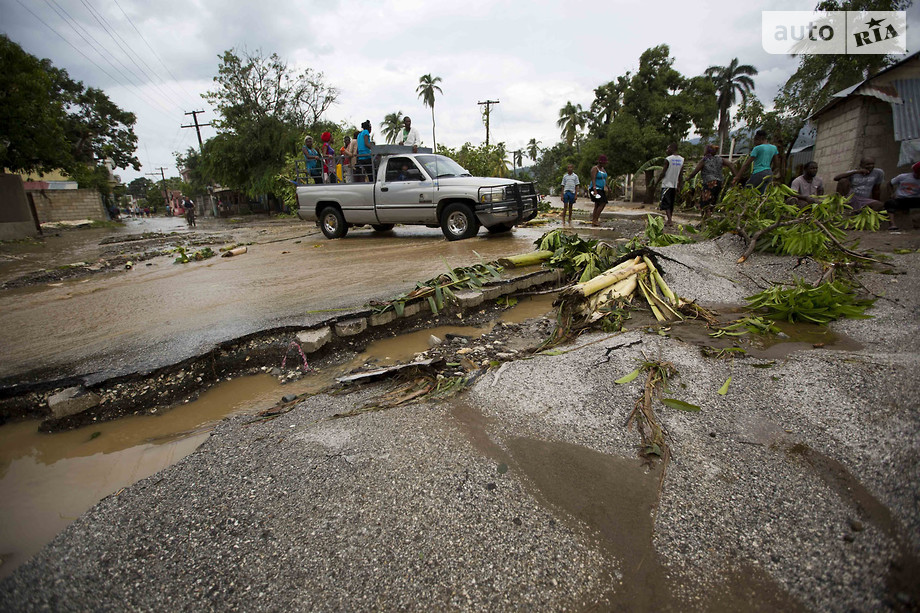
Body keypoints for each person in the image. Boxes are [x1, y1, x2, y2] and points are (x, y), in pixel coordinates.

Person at [687, 144, 735, 218]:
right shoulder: (720, 159)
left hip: (709, 183)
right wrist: (736, 176)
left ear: (707, 151)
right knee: (712, 203)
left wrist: (688, 178)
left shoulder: (705, 159)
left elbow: (695, 172)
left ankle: (704, 221)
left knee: (705, 204)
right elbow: (730, 164)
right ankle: (708, 221)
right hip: (719, 183)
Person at [884, 160, 920, 231]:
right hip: (901, 199)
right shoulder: (903, 177)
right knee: (889, 203)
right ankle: (892, 224)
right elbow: (889, 184)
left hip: (915, 199)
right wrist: (891, 193)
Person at [658, 143, 684, 226]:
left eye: (667, 148)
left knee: (666, 203)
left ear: (672, 149)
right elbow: (680, 174)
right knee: (671, 203)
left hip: (667, 184)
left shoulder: (668, 159)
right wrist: (680, 185)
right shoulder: (681, 159)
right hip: (675, 185)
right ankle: (670, 219)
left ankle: (669, 220)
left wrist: (656, 182)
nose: (666, 150)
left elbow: (663, 173)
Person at [589, 155, 609, 226]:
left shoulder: (603, 169)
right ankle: (595, 219)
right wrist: (594, 189)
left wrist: (608, 187)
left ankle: (594, 220)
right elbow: (593, 179)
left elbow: (604, 180)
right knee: (603, 202)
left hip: (601, 189)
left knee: (597, 204)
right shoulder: (595, 168)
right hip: (595, 189)